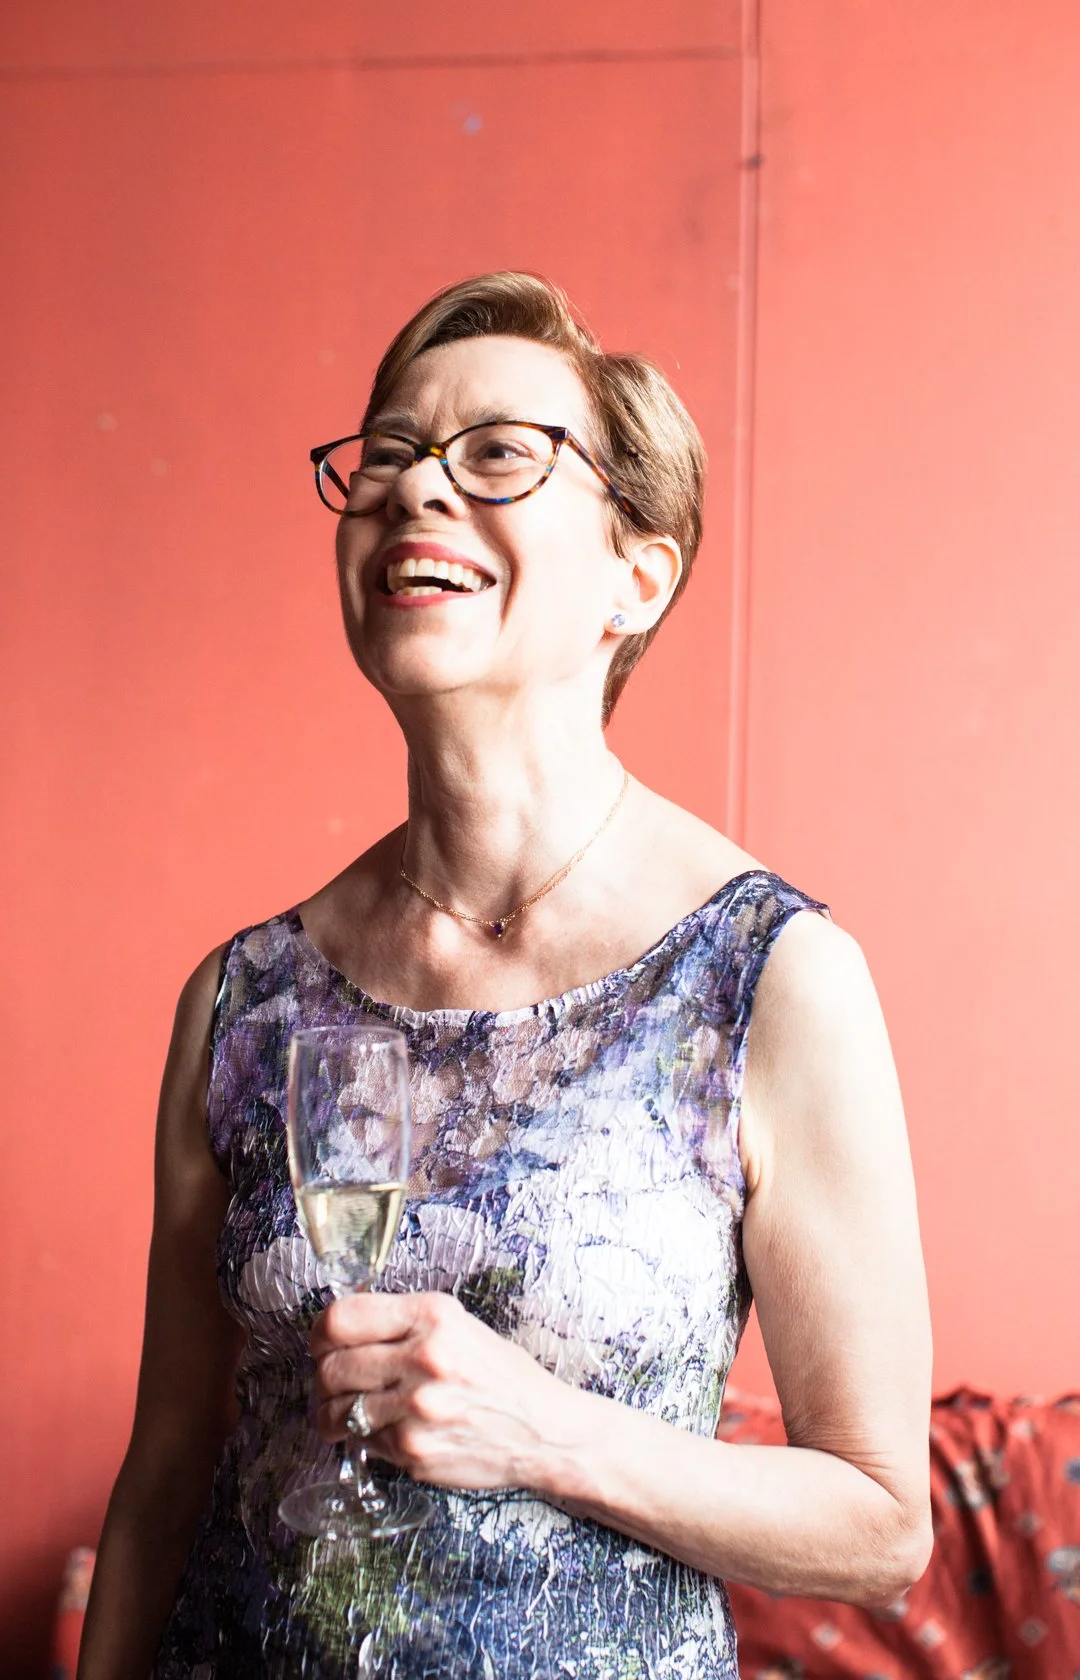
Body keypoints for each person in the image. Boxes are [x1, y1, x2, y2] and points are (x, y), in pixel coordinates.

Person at [79, 272, 933, 1680]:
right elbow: (165, 1477)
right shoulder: (243, 1001)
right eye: (391, 453)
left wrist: (544, 1431)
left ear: (634, 575)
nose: (418, 488)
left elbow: (882, 1522)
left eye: (499, 455)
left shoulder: (766, 981)